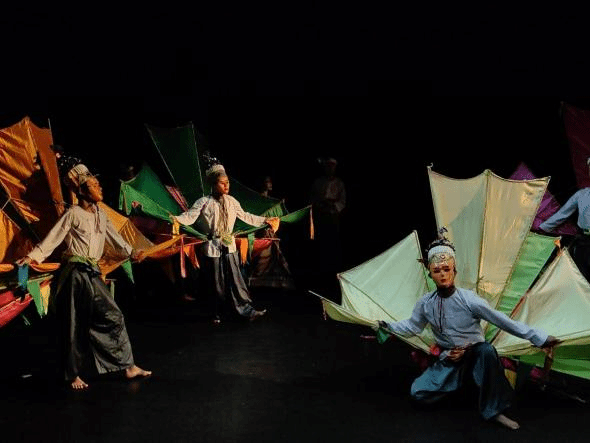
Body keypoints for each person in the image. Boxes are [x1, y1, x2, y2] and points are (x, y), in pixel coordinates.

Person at [376, 232, 560, 430]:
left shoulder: (469, 300)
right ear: (430, 274)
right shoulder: (425, 304)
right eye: (437, 270)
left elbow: (504, 321)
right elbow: (412, 326)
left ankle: (494, 410)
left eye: (446, 269)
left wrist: (539, 337)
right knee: (417, 393)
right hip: (449, 357)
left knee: (487, 350)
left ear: (454, 271)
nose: (442, 274)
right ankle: (464, 387)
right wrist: (386, 325)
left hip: (476, 354)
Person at [16, 157, 151, 390]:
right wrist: (31, 258)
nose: (100, 188)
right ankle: (72, 375)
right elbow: (52, 239)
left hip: (92, 272)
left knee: (114, 315)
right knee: (75, 323)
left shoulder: (101, 214)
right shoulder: (73, 214)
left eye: (98, 184)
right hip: (76, 273)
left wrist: (131, 253)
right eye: (94, 185)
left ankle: (127, 365)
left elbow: (115, 239)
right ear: (81, 190)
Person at [171, 161, 279, 323]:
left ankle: (246, 310)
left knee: (236, 280)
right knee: (216, 282)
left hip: (229, 245)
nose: (226, 185)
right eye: (222, 183)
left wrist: (265, 220)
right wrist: (174, 219)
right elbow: (188, 217)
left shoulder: (231, 201)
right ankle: (217, 313)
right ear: (214, 184)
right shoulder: (204, 202)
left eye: (227, 182)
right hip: (212, 245)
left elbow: (246, 216)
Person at [539, 157, 590, 281]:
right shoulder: (582, 195)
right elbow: (562, 214)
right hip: (584, 242)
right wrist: (541, 228)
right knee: (581, 277)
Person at [310, 157, 346, 289]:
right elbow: (313, 198)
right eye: (328, 166)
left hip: (333, 215)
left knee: (333, 242)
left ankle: (333, 270)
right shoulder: (318, 182)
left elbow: (342, 201)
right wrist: (322, 205)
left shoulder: (339, 183)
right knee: (321, 242)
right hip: (321, 214)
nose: (330, 169)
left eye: (332, 166)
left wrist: (333, 206)